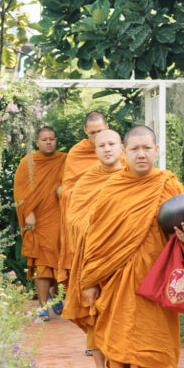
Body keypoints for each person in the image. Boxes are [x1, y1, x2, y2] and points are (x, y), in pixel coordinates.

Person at [80, 125, 184, 368]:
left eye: (147, 148)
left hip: (159, 280)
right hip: (120, 280)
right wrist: (89, 280)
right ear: (124, 153)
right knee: (122, 342)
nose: (141, 154)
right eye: (134, 149)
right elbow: (96, 238)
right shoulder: (112, 189)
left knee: (154, 347)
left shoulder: (169, 184)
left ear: (156, 150)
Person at [62, 127, 124, 368]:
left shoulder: (133, 178)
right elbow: (73, 220)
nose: (107, 149)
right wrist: (99, 229)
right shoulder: (87, 181)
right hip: (94, 258)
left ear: (121, 147)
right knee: (95, 315)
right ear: (95, 150)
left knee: (123, 315)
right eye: (101, 145)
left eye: (112, 144)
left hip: (124, 258)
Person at [13, 125, 67, 319]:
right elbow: (20, 190)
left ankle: (55, 294)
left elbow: (73, 181)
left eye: (52, 139)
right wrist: (28, 212)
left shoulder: (64, 159)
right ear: (37, 142)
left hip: (60, 217)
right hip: (38, 219)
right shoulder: (28, 162)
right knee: (42, 263)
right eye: (44, 139)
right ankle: (43, 306)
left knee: (60, 260)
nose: (49, 142)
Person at [56, 110, 109, 285]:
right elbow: (67, 189)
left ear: (107, 127)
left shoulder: (116, 149)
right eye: (92, 132)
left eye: (100, 131)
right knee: (84, 262)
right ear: (85, 131)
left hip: (108, 215)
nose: (96, 136)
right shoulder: (77, 152)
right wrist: (84, 195)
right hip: (82, 219)